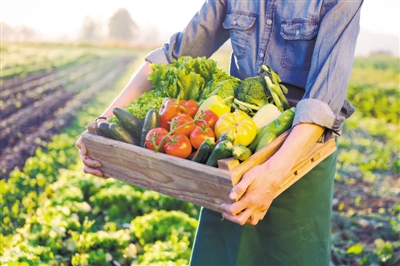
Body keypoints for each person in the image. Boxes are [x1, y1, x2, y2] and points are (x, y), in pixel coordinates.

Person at [76, 0, 364, 264]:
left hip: (300, 152)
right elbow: (175, 54)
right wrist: (103, 121)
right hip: (234, 152)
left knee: (289, 254)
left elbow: (323, 99)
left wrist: (274, 175)